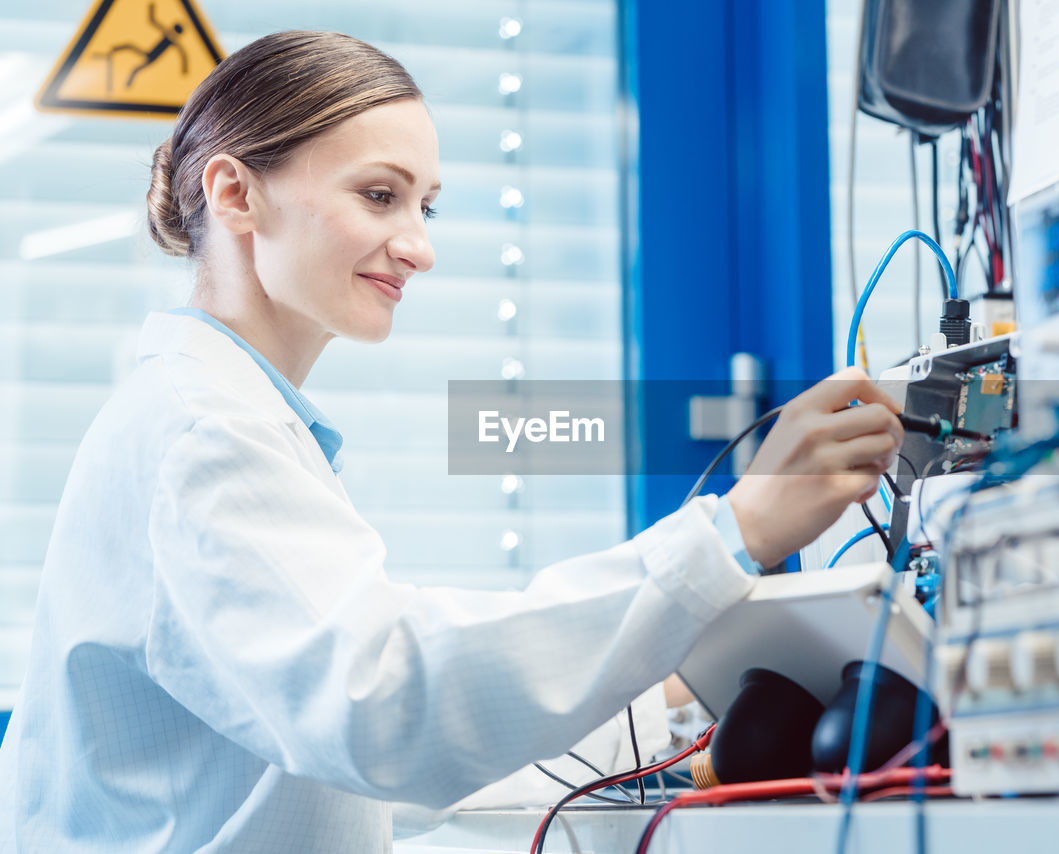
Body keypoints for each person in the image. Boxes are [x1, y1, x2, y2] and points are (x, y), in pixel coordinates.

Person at [0, 31, 904, 853]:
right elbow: (384, 709)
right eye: (380, 195)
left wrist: (661, 695)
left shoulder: (229, 416)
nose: (419, 247)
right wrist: (730, 532)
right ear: (235, 193)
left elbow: (332, 764)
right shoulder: (206, 433)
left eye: (426, 205)